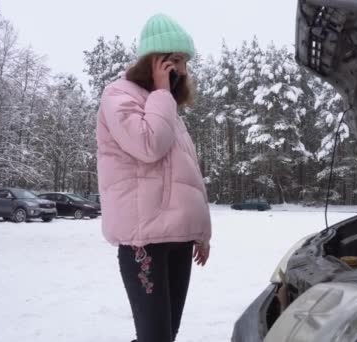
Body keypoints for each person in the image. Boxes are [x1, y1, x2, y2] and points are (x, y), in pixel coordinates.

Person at [96, 13, 211, 342]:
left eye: (186, 62)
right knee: (156, 337)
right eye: (176, 60)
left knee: (166, 334)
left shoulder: (165, 107)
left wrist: (200, 233)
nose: (184, 70)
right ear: (154, 61)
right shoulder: (118, 95)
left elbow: (187, 177)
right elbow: (148, 146)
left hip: (178, 239)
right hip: (143, 242)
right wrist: (162, 93)